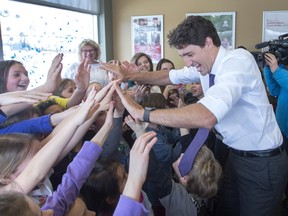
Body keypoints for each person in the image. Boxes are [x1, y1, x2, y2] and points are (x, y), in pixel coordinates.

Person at [102, 15, 288, 216]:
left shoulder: (237, 62)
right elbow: (168, 76)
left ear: (208, 43)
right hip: (235, 155)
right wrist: (129, 75)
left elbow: (207, 115)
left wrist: (143, 113)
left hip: (262, 163)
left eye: (189, 54)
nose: (187, 62)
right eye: (183, 55)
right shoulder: (205, 66)